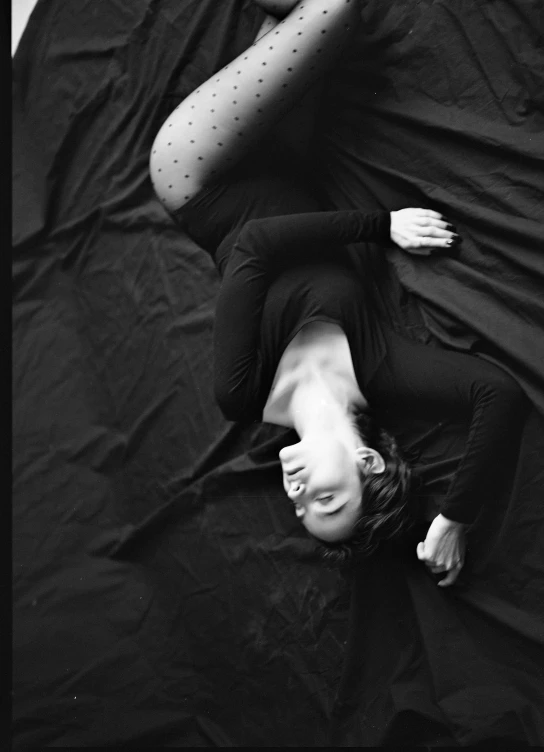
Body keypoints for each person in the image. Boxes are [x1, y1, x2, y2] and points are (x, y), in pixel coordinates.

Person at [149, 0, 525, 586]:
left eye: (300, 512)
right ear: (367, 463)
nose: (297, 496)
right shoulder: (381, 369)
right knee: (325, 13)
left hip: (201, 175)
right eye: (325, 502)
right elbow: (498, 396)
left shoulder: (242, 392)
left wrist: (380, 226)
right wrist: (453, 518)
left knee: (330, 12)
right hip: (288, 161)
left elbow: (252, 244)